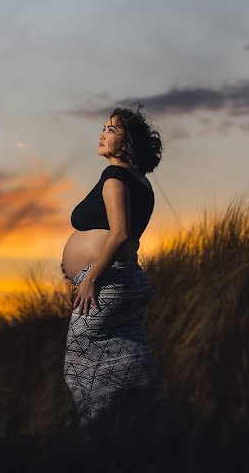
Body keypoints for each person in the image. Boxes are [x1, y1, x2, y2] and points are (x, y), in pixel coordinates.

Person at [60, 103, 167, 437]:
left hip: (107, 280)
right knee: (130, 357)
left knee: (80, 363)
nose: (103, 134)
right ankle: (154, 418)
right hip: (124, 278)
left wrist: (90, 276)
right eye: (104, 128)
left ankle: (97, 436)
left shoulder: (115, 177)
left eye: (112, 129)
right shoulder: (142, 183)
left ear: (129, 143)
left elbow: (120, 234)